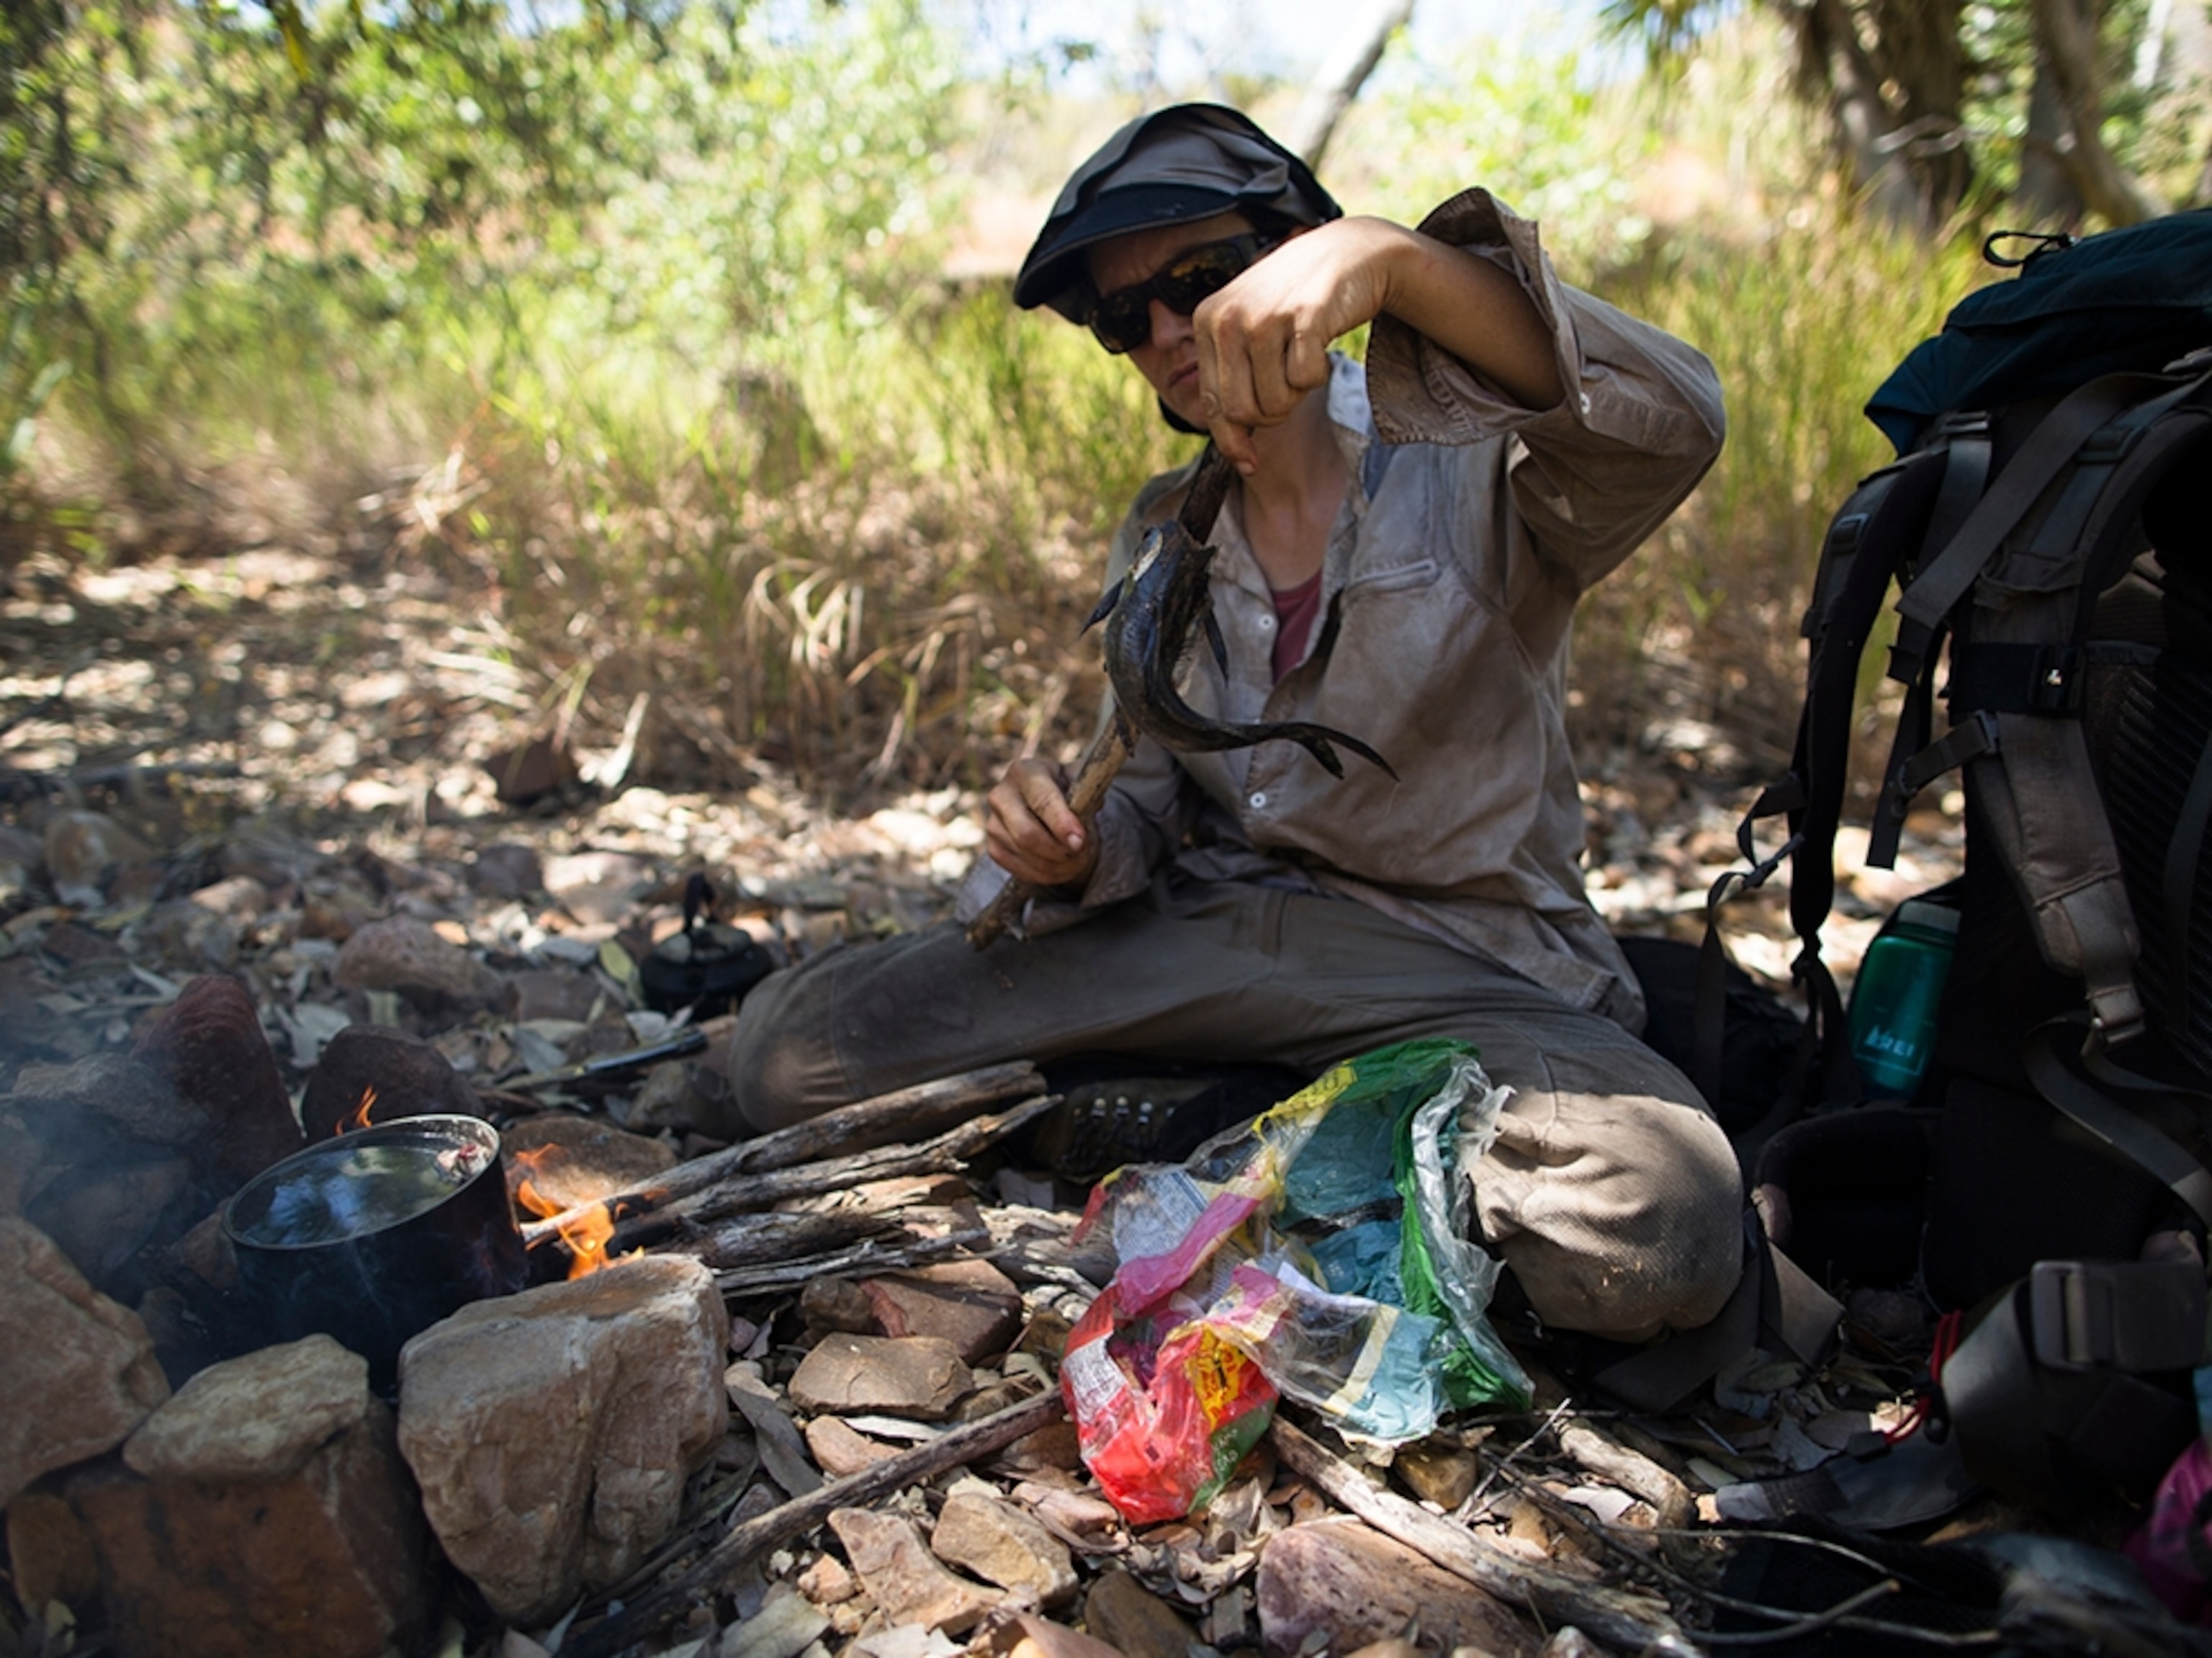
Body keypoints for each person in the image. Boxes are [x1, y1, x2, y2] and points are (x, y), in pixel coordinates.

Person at [727, 103, 1744, 1345]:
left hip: (1452, 962)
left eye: (1200, 276)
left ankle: (1221, 1124)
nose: (1168, 332)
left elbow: (1672, 420)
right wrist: (1068, 847)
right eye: (1124, 316)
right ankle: (1284, 1135)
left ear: (1297, 255)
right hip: (1204, 935)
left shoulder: (1471, 461)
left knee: (1662, 1221)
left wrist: (1399, 263)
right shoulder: (1164, 532)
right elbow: (1145, 798)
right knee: (788, 1056)